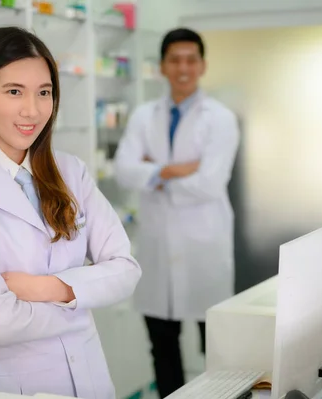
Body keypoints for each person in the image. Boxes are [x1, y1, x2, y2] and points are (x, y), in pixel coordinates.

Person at [0, 27, 141, 398]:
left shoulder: (72, 172)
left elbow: (126, 270)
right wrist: (82, 298)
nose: (32, 110)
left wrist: (44, 288)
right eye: (14, 91)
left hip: (89, 379)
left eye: (44, 92)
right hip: (12, 386)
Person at [114, 28, 239, 398]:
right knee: (162, 347)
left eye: (190, 59)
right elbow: (123, 169)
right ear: (162, 66)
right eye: (175, 60)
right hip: (157, 244)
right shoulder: (143, 115)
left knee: (216, 351)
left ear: (202, 65)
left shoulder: (219, 118)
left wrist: (153, 171)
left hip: (204, 245)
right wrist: (176, 170)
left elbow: (210, 184)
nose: (183, 68)